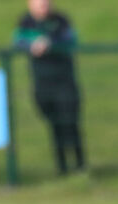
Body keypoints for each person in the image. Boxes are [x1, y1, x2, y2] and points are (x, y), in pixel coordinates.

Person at [14, 0, 84, 175]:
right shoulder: (26, 22)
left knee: (70, 123)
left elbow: (70, 38)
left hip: (64, 82)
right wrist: (33, 45)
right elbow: (18, 41)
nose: (43, 6)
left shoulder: (60, 20)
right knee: (54, 125)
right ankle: (62, 167)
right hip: (42, 83)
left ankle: (80, 165)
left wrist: (50, 42)